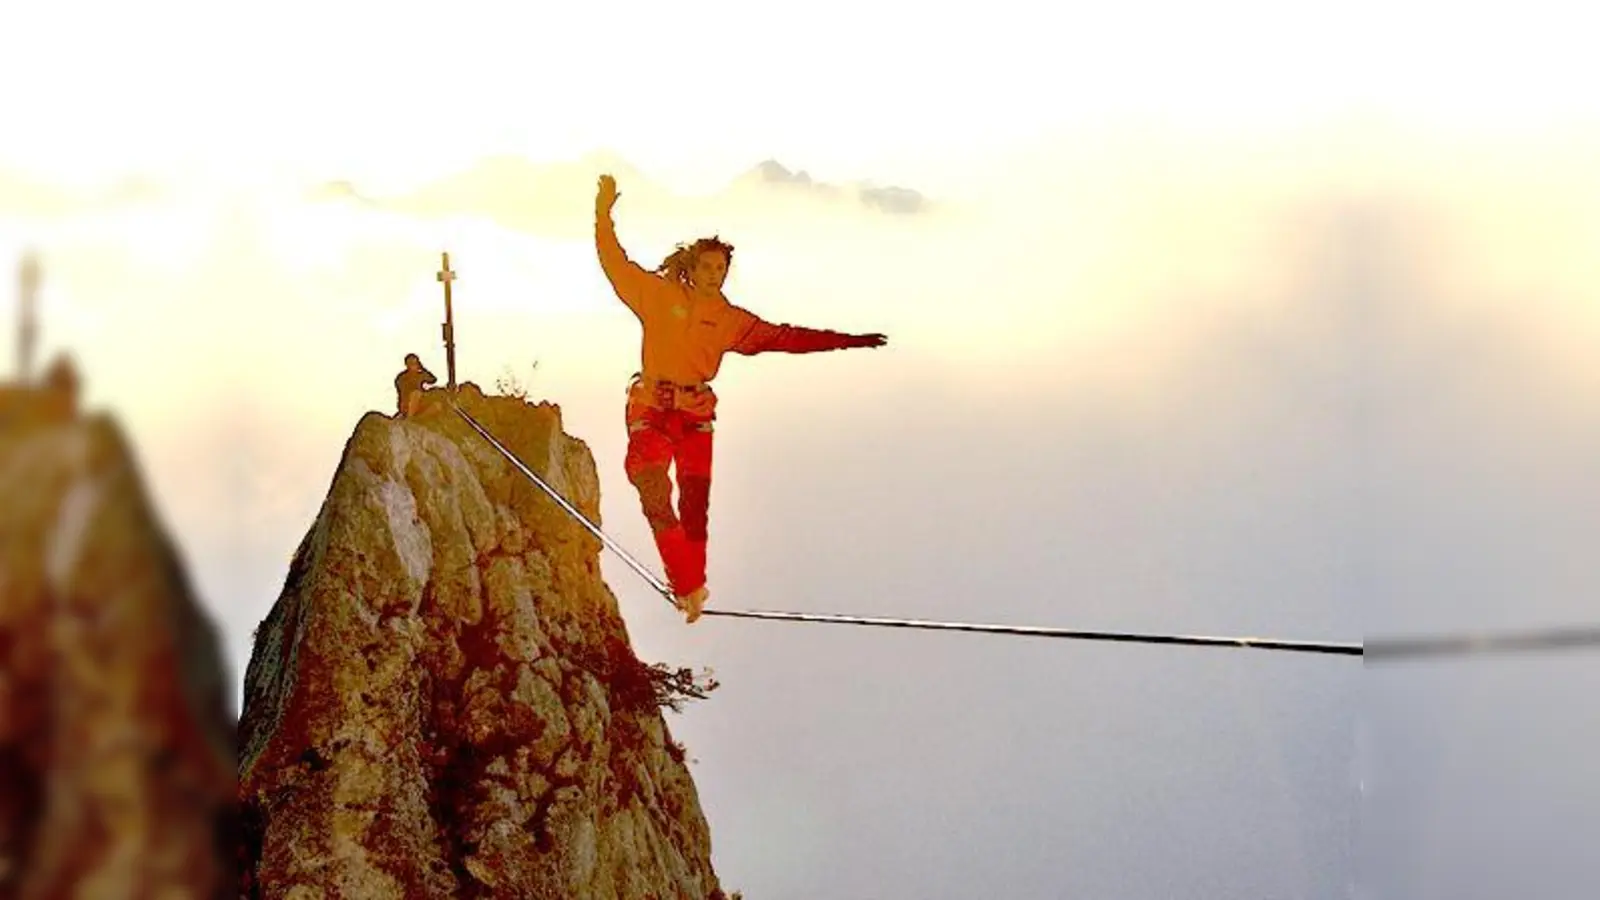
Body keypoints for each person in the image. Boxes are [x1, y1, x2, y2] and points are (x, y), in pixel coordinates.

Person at [594, 173, 887, 623]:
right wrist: (603, 213)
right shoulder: (657, 295)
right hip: (651, 407)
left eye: (721, 269)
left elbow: (787, 338)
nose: (715, 275)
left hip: (695, 415)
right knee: (652, 488)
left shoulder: (729, 319)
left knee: (695, 506)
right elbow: (615, 263)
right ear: (691, 268)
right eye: (707, 267)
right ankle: (686, 582)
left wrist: (849, 341)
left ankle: (692, 588)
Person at [394, 353, 436, 418]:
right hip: (407, 404)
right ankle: (409, 418)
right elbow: (403, 392)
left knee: (437, 406)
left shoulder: (420, 375)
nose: (413, 365)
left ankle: (418, 419)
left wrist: (423, 368)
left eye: (415, 363)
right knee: (416, 394)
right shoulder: (402, 377)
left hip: (420, 403)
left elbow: (433, 379)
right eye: (411, 363)